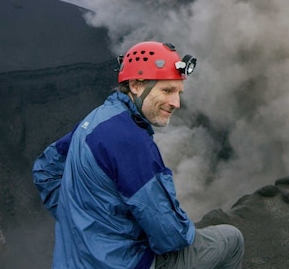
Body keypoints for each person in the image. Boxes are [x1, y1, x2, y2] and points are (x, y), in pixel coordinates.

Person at [33, 40, 244, 269]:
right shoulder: (131, 141)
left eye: (179, 92)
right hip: (126, 264)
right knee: (231, 240)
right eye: (167, 90)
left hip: (73, 261)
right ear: (135, 85)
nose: (176, 103)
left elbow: (45, 170)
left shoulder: (95, 121)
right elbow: (171, 236)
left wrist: (83, 221)